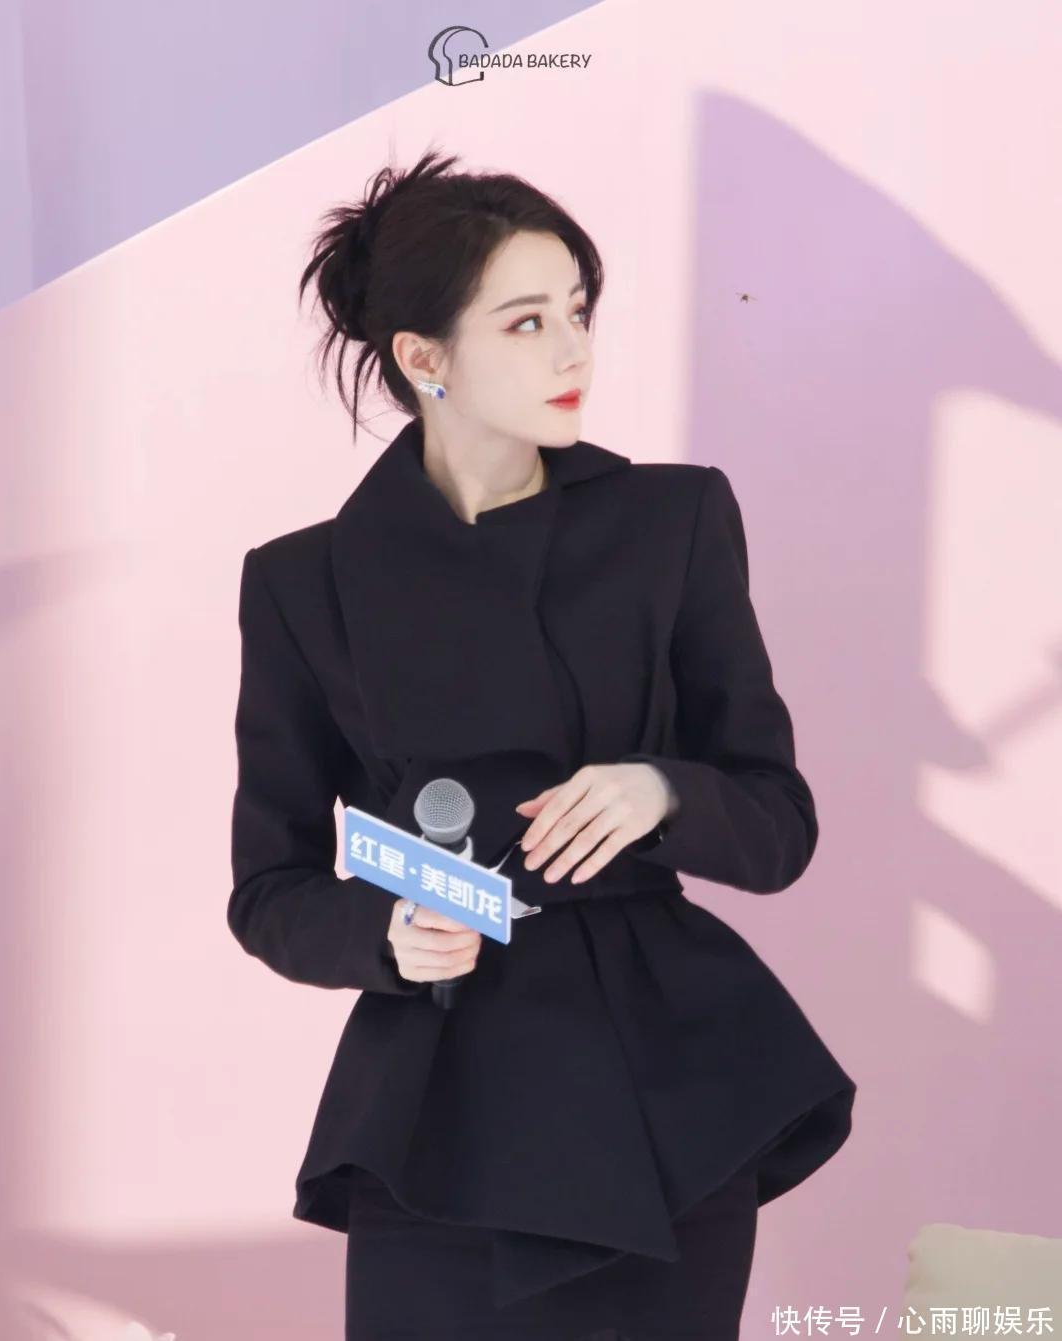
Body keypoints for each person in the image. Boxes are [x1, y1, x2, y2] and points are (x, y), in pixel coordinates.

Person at [228, 146, 857, 1340]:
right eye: (526, 323)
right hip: (440, 1106)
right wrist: (387, 936)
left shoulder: (673, 520)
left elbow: (779, 828)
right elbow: (269, 889)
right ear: (424, 359)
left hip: (664, 1088)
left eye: (578, 312)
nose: (574, 353)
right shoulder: (302, 584)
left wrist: (660, 791)